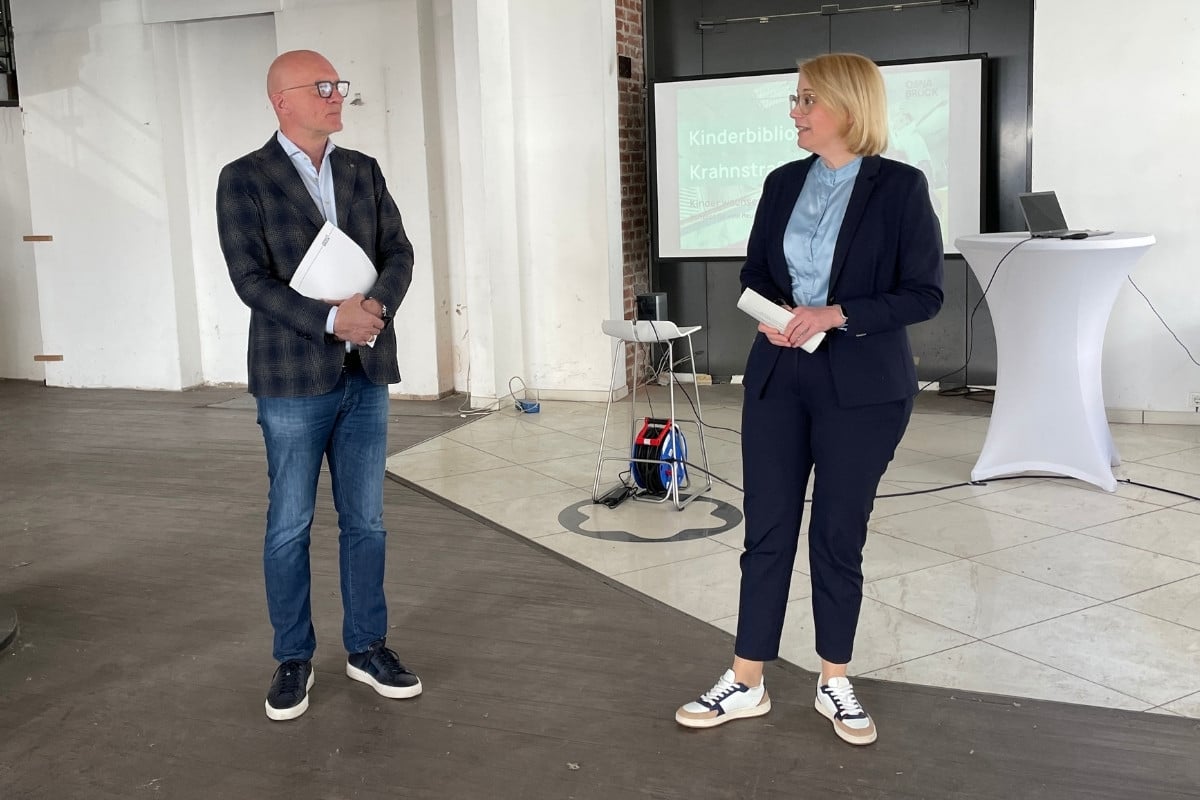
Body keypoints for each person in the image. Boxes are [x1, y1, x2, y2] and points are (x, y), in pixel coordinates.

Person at [675, 53, 943, 745]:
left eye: (805, 101)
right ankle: (746, 679)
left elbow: (925, 293)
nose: (794, 112)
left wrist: (835, 314)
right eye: (795, 100)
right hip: (778, 376)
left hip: (864, 387)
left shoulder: (901, 188)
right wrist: (771, 309)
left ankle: (834, 680)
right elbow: (757, 269)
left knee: (836, 534)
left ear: (847, 109)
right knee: (765, 531)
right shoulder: (781, 181)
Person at [217, 49, 420, 721]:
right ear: (283, 101)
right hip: (291, 378)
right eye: (323, 86)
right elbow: (251, 281)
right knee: (289, 523)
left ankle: (366, 648)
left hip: (365, 370)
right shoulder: (243, 179)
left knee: (366, 521)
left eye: (339, 86)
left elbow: (399, 251)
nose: (337, 96)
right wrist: (331, 318)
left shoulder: (362, 170)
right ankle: (293, 658)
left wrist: (373, 311)